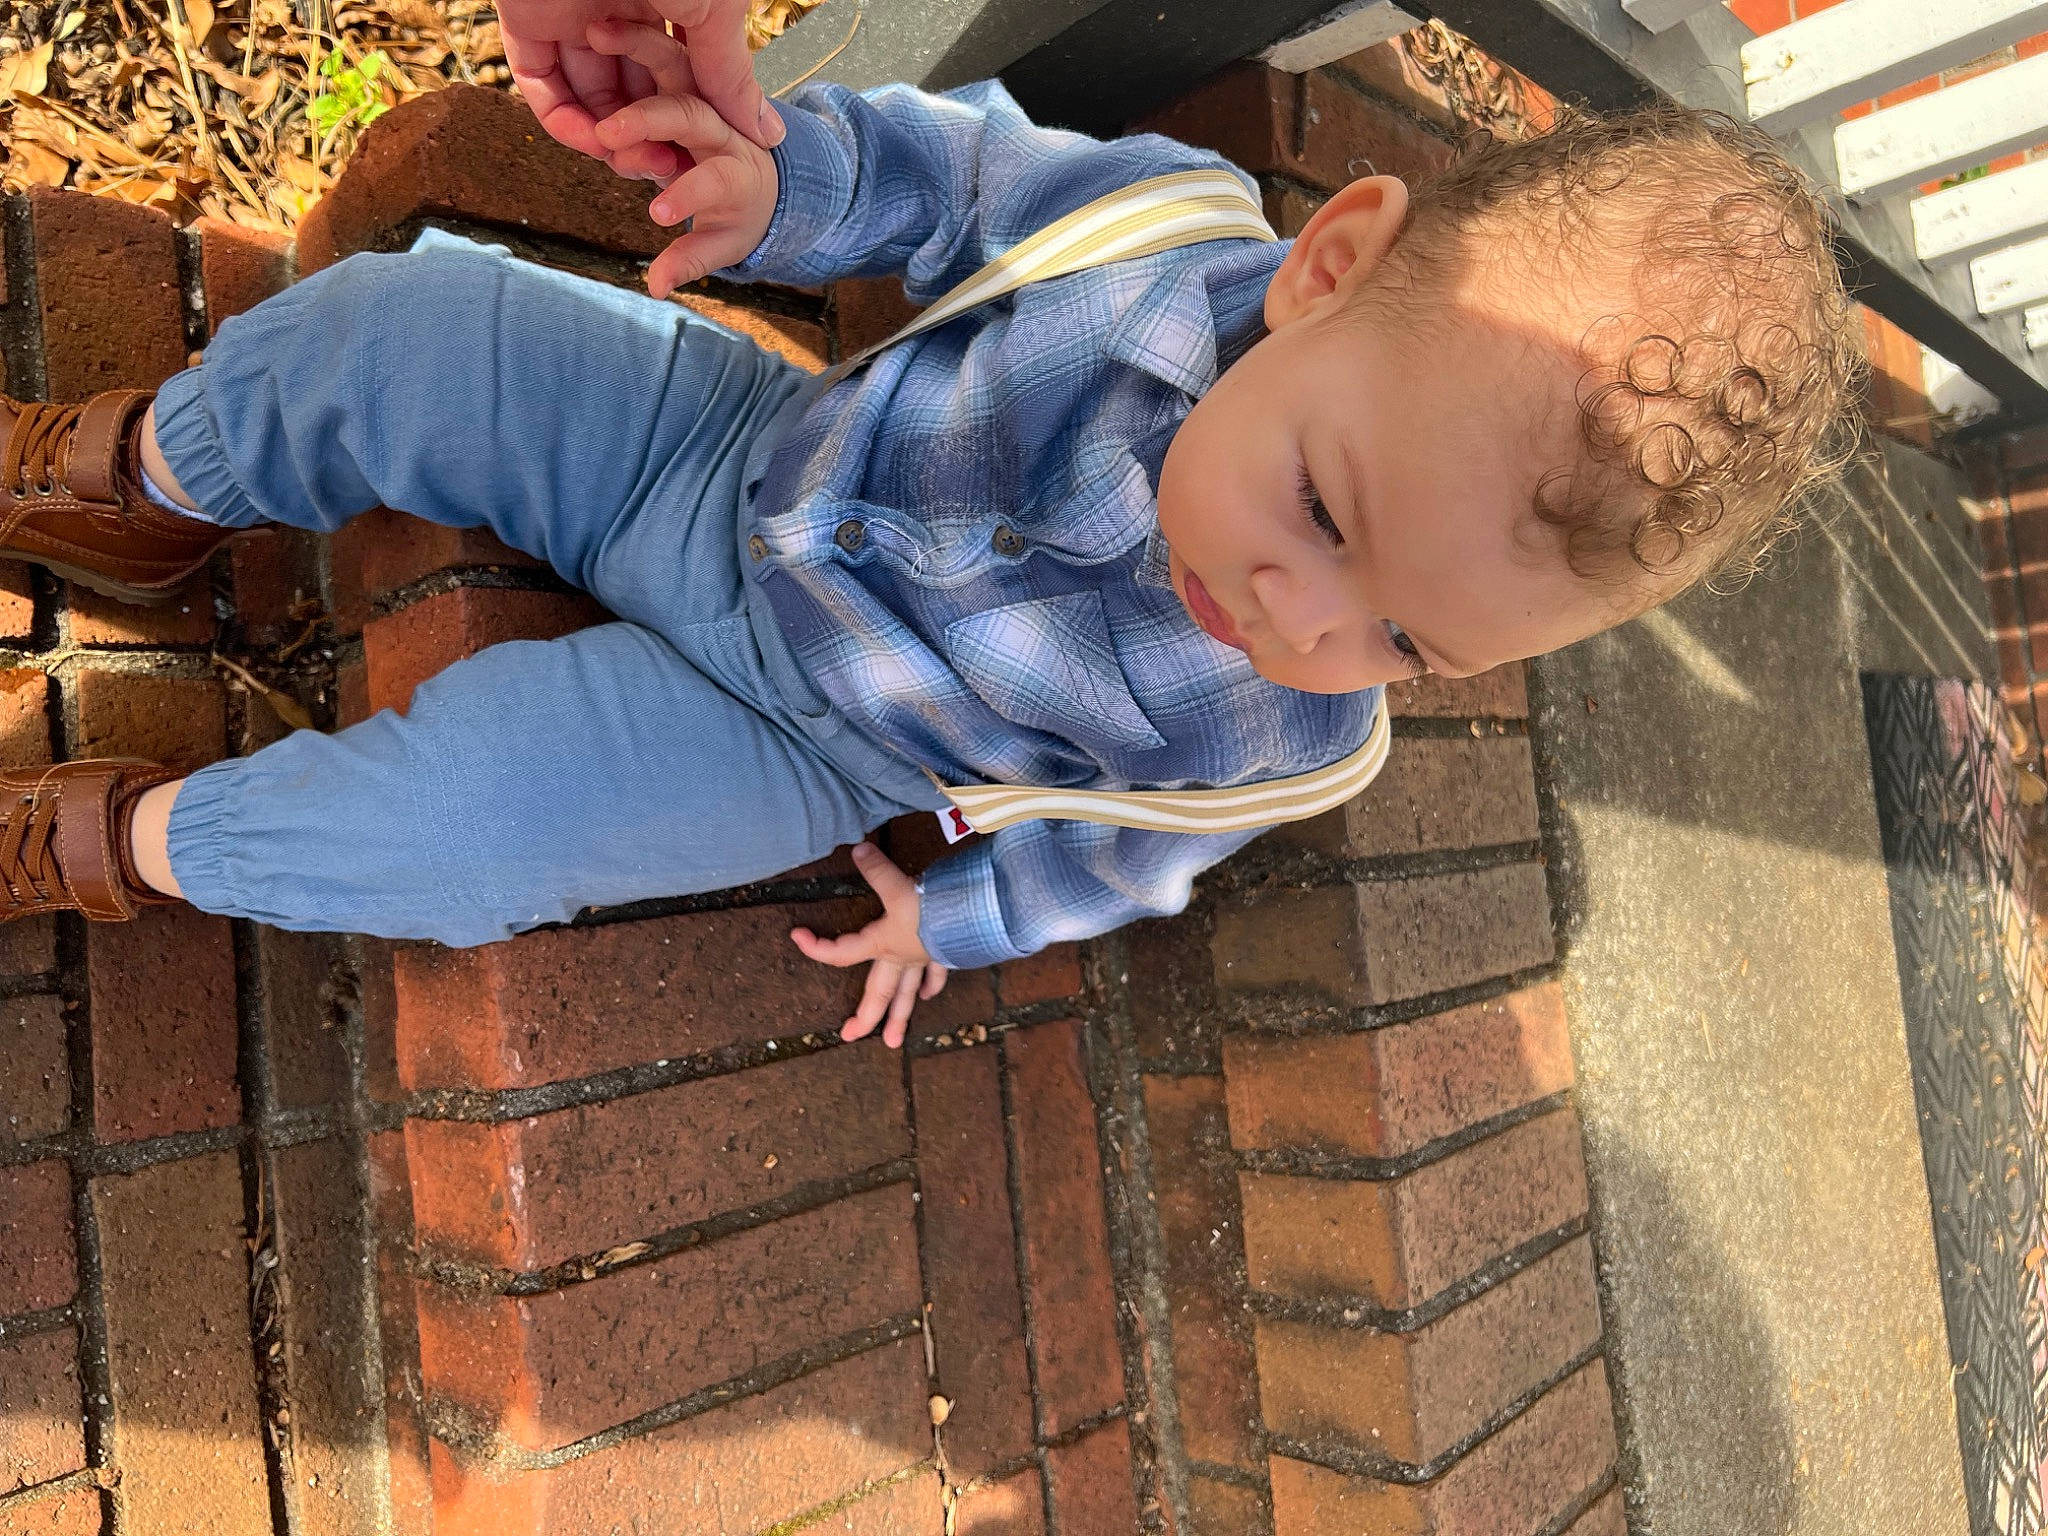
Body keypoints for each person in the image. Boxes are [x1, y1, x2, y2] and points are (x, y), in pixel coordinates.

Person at [0, 12, 1862, 1046]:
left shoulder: (1287, 739)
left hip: (812, 739)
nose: (1300, 620)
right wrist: (786, 183)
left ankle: (143, 838)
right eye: (1319, 507)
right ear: (1330, 268)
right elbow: (956, 171)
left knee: (472, 830)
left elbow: (1138, 854)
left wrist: (957, 917)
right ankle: (158, 484)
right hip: (732, 453)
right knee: (412, 326)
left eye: (1409, 645)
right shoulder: (1163, 237)